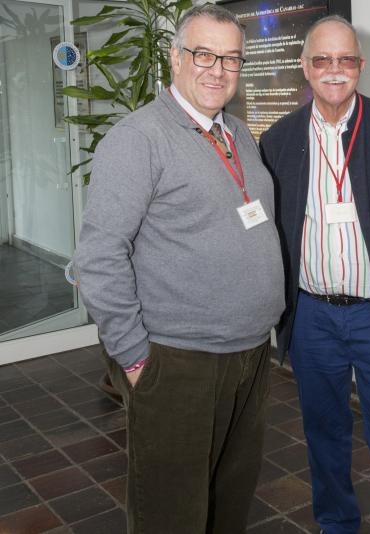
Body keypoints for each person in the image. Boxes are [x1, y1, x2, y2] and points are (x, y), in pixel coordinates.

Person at [73, 4, 284, 533]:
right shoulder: (137, 139)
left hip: (248, 353)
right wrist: (136, 359)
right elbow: (98, 259)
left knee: (229, 499)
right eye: (203, 54)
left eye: (230, 58)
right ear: (174, 58)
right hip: (177, 361)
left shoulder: (236, 131)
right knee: (172, 512)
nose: (217, 69)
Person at [260, 15, 370, 534]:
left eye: (347, 59)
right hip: (312, 317)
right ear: (304, 67)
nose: (335, 70)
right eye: (323, 59)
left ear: (360, 65)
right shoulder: (279, 140)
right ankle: (337, 525)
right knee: (323, 434)